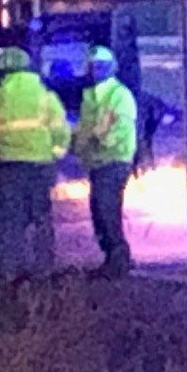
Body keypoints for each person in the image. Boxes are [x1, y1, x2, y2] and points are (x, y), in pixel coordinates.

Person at [0, 46, 69, 279]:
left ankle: (9, 272)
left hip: (9, 166)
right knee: (41, 218)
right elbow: (61, 130)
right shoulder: (45, 96)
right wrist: (55, 154)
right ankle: (43, 270)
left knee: (10, 221)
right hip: (40, 165)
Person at [74, 45, 139, 276]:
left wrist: (101, 142)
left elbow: (122, 126)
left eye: (101, 66)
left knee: (106, 208)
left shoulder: (119, 94)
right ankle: (113, 258)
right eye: (93, 67)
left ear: (111, 68)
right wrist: (81, 150)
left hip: (115, 159)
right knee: (100, 210)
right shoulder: (91, 96)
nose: (96, 71)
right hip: (99, 162)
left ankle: (118, 260)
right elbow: (85, 130)